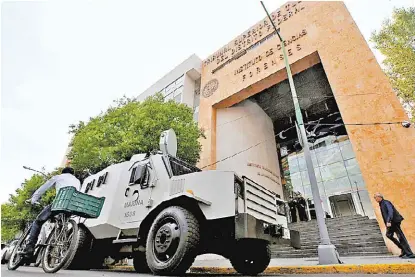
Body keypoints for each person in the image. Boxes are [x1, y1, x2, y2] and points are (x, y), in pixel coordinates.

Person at [22, 167, 81, 256]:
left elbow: (43, 188)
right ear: (72, 174)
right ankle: (59, 236)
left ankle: (29, 247)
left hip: (59, 203)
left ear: (63, 172)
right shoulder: (77, 181)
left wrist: (33, 199)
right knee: (61, 221)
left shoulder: (58, 177)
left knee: (38, 222)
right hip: (72, 206)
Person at [374, 192, 414, 259]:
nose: (375, 199)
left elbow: (390, 211)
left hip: (394, 222)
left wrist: (389, 220)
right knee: (389, 235)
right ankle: (403, 249)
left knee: (401, 237)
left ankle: (409, 254)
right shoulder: (381, 204)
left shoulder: (386, 202)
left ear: (379, 197)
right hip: (390, 223)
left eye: (375, 197)